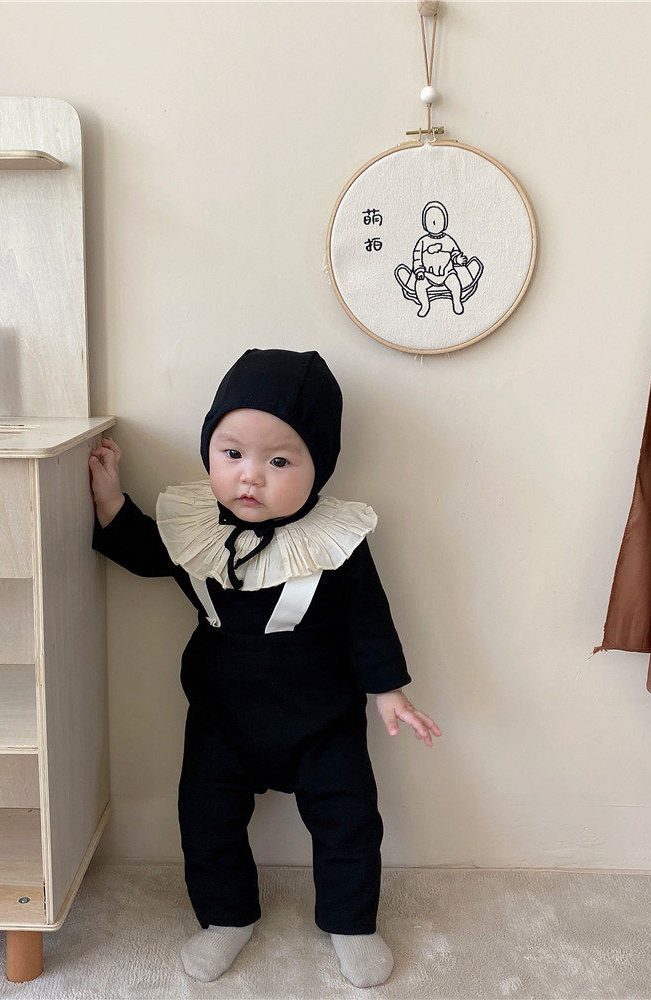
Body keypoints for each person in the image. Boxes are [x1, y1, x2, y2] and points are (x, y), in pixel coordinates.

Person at [89, 348, 442, 989]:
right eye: (232, 454)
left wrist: (389, 692)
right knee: (206, 818)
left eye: (279, 461)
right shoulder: (194, 524)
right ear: (209, 450)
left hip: (322, 716)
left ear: (319, 465)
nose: (250, 476)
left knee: (349, 821)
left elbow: (368, 618)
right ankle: (226, 917)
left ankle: (352, 923)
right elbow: (143, 553)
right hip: (221, 713)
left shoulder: (336, 539)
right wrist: (110, 499)